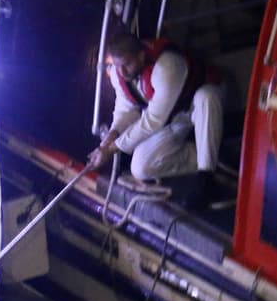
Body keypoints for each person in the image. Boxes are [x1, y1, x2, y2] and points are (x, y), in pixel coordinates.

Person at [88, 31, 225, 201]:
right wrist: (109, 139)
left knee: (206, 96)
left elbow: (153, 120)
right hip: (173, 116)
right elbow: (126, 109)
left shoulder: (167, 66)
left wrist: (113, 148)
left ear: (141, 56)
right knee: (140, 167)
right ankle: (209, 154)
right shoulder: (120, 73)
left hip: (195, 103)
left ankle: (207, 176)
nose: (122, 71)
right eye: (118, 66)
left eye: (127, 64)